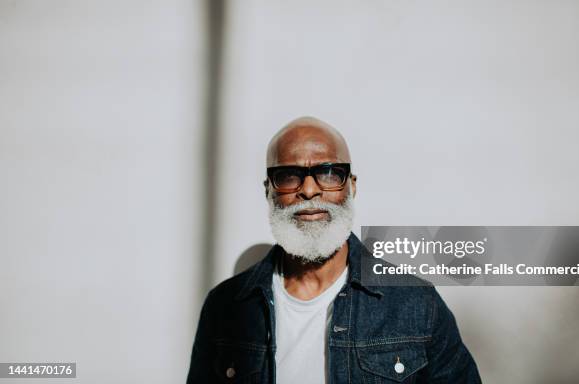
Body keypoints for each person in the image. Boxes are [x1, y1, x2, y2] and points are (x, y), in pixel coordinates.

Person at [187, 117, 481, 383]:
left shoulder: (416, 305)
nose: (310, 190)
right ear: (269, 191)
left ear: (351, 187)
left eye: (329, 173)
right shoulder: (224, 307)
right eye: (289, 175)